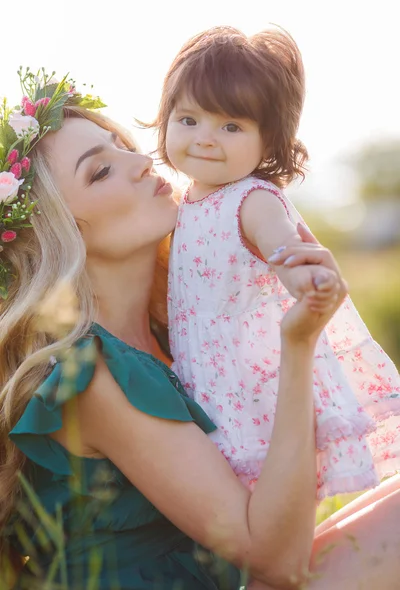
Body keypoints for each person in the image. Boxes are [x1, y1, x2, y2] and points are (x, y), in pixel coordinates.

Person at [0, 70, 399, 590]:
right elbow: (278, 562)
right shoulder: (91, 374)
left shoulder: (178, 335)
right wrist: (297, 344)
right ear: (65, 229)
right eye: (101, 172)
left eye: (123, 145)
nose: (143, 161)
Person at [148, 25, 400, 499]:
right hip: (210, 378)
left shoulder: (252, 199)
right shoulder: (185, 202)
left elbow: (284, 246)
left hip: (259, 384)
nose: (205, 138)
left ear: (269, 143)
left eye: (231, 126)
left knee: (279, 503)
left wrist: (302, 277)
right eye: (188, 120)